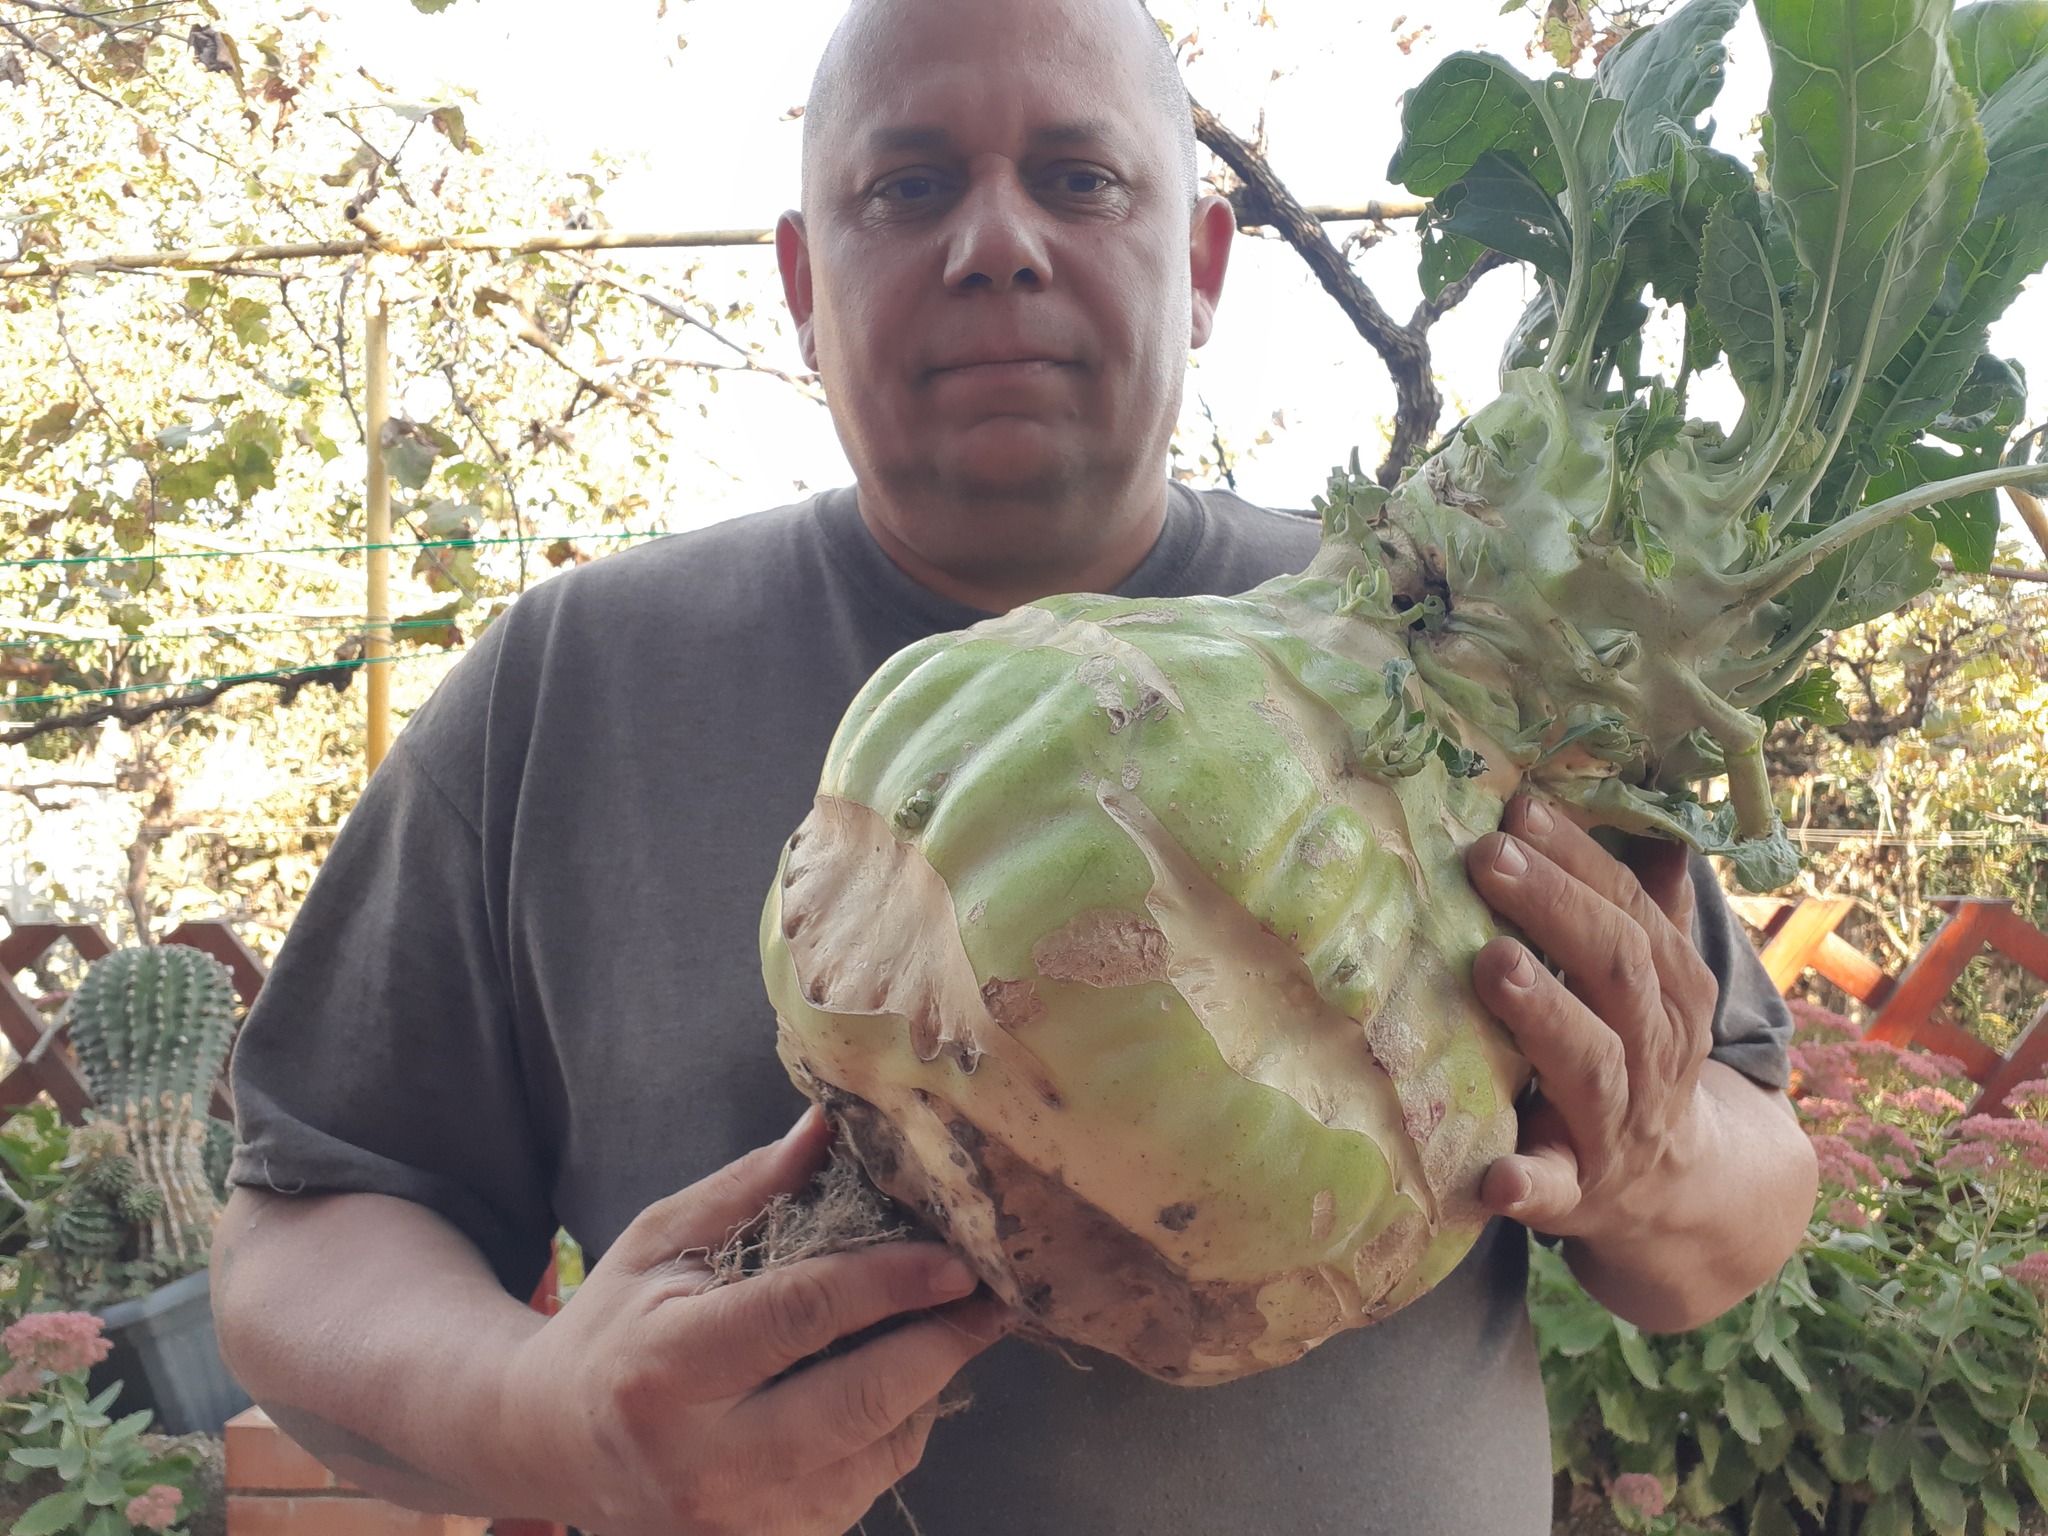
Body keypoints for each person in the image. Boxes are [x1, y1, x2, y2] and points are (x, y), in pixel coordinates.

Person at [210, 0, 1819, 1531]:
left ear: (1201, 265)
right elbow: (305, 1226)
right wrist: (541, 1415)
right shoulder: (570, 680)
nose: (996, 244)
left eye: (1080, 179)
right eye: (906, 188)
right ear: (801, 280)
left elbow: (1737, 1217)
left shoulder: (1470, 690)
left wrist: (1657, 1155)